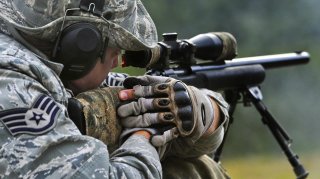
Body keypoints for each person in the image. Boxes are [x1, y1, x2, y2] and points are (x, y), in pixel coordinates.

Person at [0, 0, 230, 178]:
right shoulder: (11, 84)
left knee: (193, 165)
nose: (116, 62)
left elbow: (179, 115)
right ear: (80, 45)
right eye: (114, 49)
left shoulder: (44, 69)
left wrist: (205, 112)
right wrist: (144, 139)